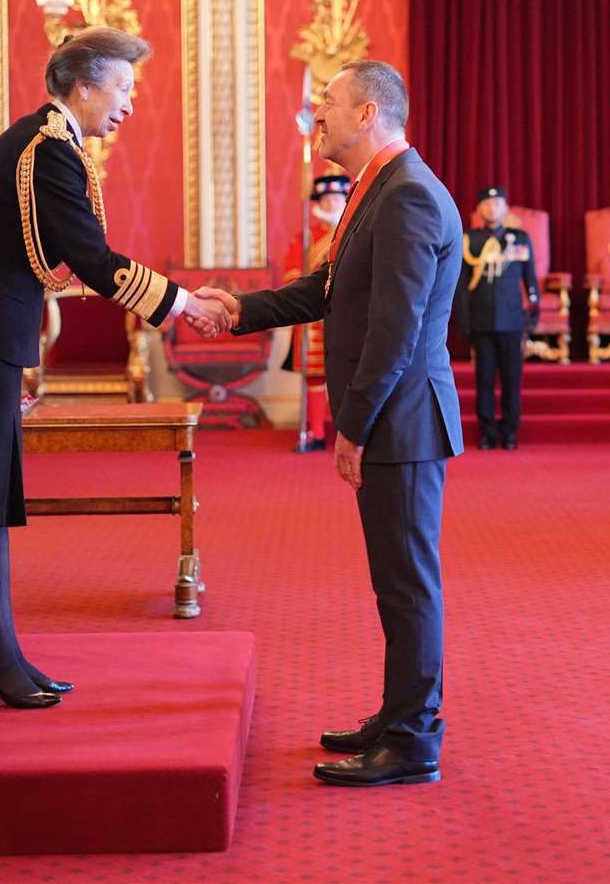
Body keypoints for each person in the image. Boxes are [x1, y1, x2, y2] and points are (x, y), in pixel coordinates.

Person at [0, 28, 226, 710]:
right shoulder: (49, 151)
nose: (127, 106)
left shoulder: (50, 141)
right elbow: (93, 261)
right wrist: (183, 302)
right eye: (122, 89)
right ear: (85, 87)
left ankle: (2, 655)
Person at [202, 59, 462, 787]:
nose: (316, 115)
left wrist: (351, 425)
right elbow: (327, 289)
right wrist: (242, 309)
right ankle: (399, 716)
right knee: (396, 581)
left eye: (329, 103)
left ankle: (412, 742)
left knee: (408, 583)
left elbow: (395, 331)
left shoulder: (406, 195)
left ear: (368, 114)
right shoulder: (378, 190)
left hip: (402, 421)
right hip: (395, 416)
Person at [455, 185, 538, 450]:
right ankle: (487, 431)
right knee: (485, 380)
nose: (492, 208)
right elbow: (461, 285)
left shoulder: (520, 238)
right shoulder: (469, 240)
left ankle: (510, 431)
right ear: (479, 209)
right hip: (482, 321)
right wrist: (464, 320)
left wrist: (532, 314)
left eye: (497, 203)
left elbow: (530, 280)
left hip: (513, 322)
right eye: (487, 204)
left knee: (512, 381)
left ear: (505, 208)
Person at [284, 172, 351, 452]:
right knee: (314, 376)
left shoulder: (354, 233)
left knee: (352, 374)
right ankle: (315, 431)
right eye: (328, 198)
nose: (333, 202)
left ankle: (349, 433)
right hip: (314, 316)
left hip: (349, 313)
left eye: (338, 198)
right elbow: (292, 276)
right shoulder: (307, 236)